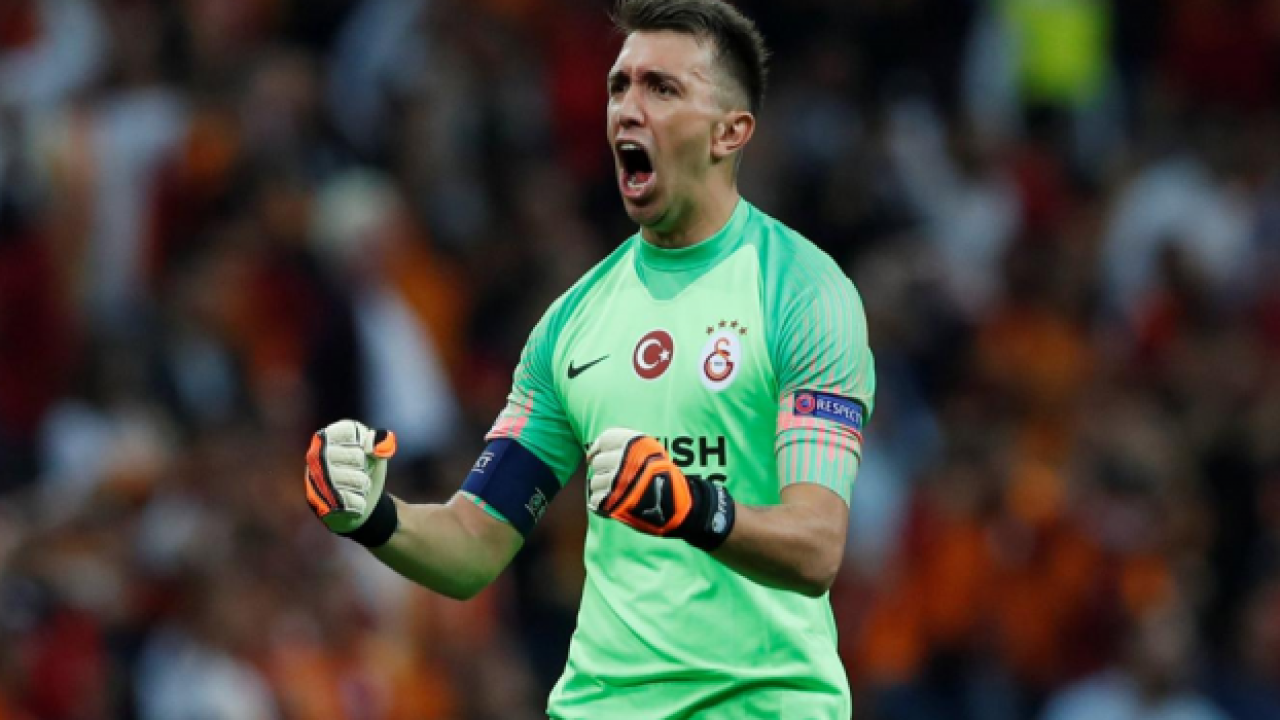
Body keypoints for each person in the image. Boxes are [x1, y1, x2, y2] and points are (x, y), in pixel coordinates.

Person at [302, 1, 876, 717]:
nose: (628, 110)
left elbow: (817, 546)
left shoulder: (803, 292)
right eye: (619, 86)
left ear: (730, 131)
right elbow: (474, 544)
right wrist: (371, 517)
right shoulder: (573, 322)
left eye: (661, 88)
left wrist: (693, 506)